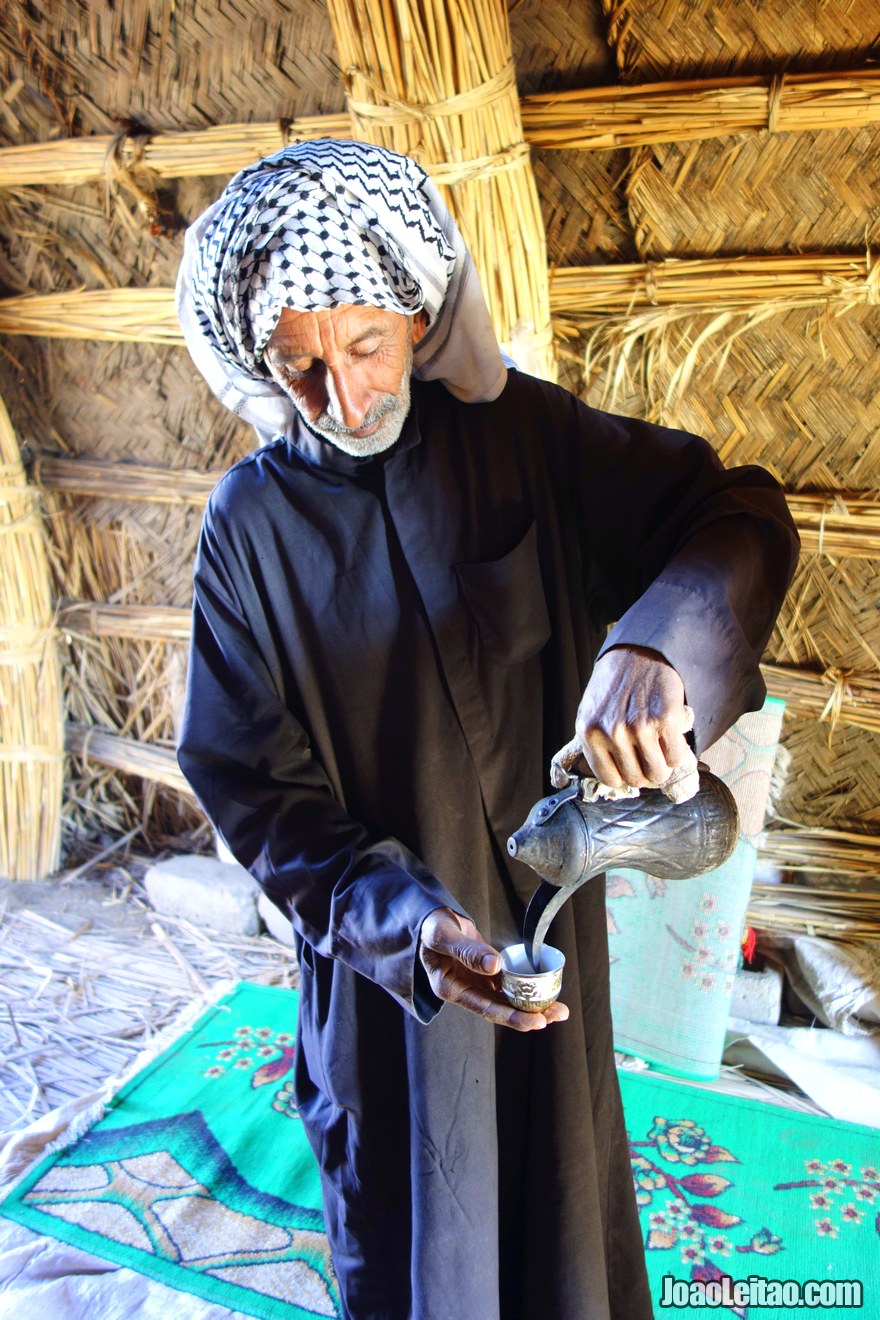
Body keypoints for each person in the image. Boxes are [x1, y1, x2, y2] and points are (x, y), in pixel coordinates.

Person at [175, 138, 798, 1320]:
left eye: (362, 347)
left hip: (552, 942)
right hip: (388, 983)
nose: (340, 399)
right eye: (297, 367)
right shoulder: (247, 530)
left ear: (416, 316)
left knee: (564, 1231)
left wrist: (651, 647)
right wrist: (410, 929)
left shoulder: (528, 443)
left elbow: (737, 515)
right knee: (417, 1247)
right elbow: (253, 787)